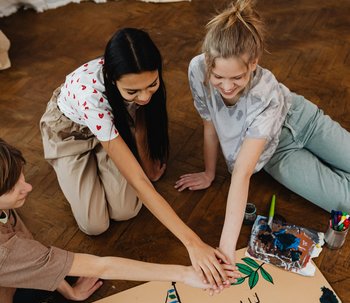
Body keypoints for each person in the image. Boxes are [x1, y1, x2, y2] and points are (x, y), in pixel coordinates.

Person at [39, 28, 233, 289]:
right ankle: (72, 168)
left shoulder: (139, 86)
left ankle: (101, 161)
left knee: (127, 209)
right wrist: (193, 243)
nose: (145, 96)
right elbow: (138, 181)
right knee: (94, 224)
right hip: (69, 135)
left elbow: (139, 114)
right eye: (133, 91)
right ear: (112, 79)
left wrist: (147, 161)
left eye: (152, 85)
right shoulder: (91, 95)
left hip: (110, 132)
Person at [175, 0, 350, 265]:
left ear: (253, 63)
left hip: (304, 119)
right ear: (208, 61)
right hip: (279, 152)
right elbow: (209, 122)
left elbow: (241, 174)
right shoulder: (197, 69)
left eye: (237, 78)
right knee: (346, 204)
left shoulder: (264, 92)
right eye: (218, 76)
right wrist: (209, 173)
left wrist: (224, 250)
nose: (226, 86)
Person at [0, 138, 240, 303]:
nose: (28, 187)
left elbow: (37, 258)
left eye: (21, 176)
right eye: (12, 188)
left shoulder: (7, 212)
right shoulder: (7, 251)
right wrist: (186, 274)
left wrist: (68, 289)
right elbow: (101, 267)